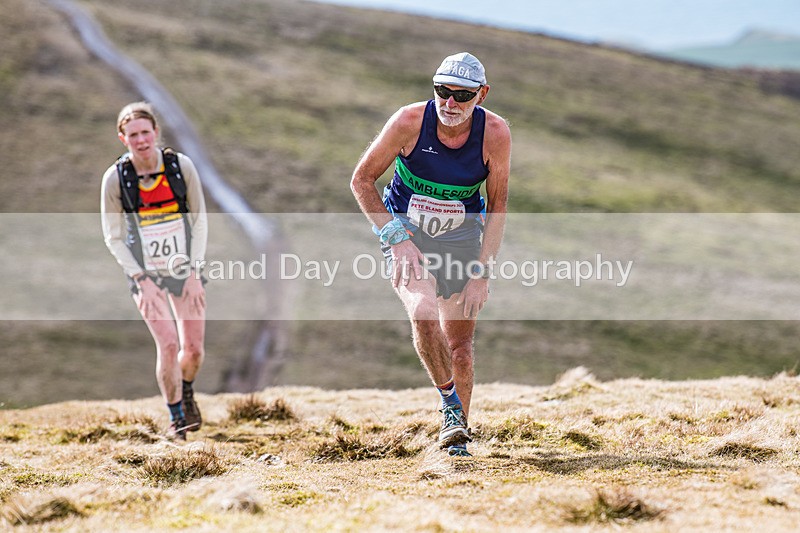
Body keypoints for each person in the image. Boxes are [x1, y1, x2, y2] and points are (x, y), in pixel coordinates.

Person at [351, 52, 511, 456]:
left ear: (482, 94)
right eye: (442, 91)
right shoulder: (408, 122)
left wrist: (482, 273)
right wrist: (395, 236)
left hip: (461, 238)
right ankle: (451, 406)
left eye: (462, 95)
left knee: (459, 348)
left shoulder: (495, 134)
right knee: (423, 313)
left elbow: (498, 204)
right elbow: (362, 179)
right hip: (406, 232)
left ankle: (457, 439)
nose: (450, 103)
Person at [101, 102, 209, 441]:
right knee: (167, 343)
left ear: (156, 133)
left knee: (192, 351)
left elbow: (200, 220)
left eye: (146, 132)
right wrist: (139, 279)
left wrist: (194, 271)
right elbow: (113, 237)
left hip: (184, 269)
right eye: (133, 134)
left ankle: (186, 390)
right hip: (145, 275)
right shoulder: (116, 179)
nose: (141, 140)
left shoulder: (180, 167)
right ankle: (177, 421)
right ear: (123, 138)